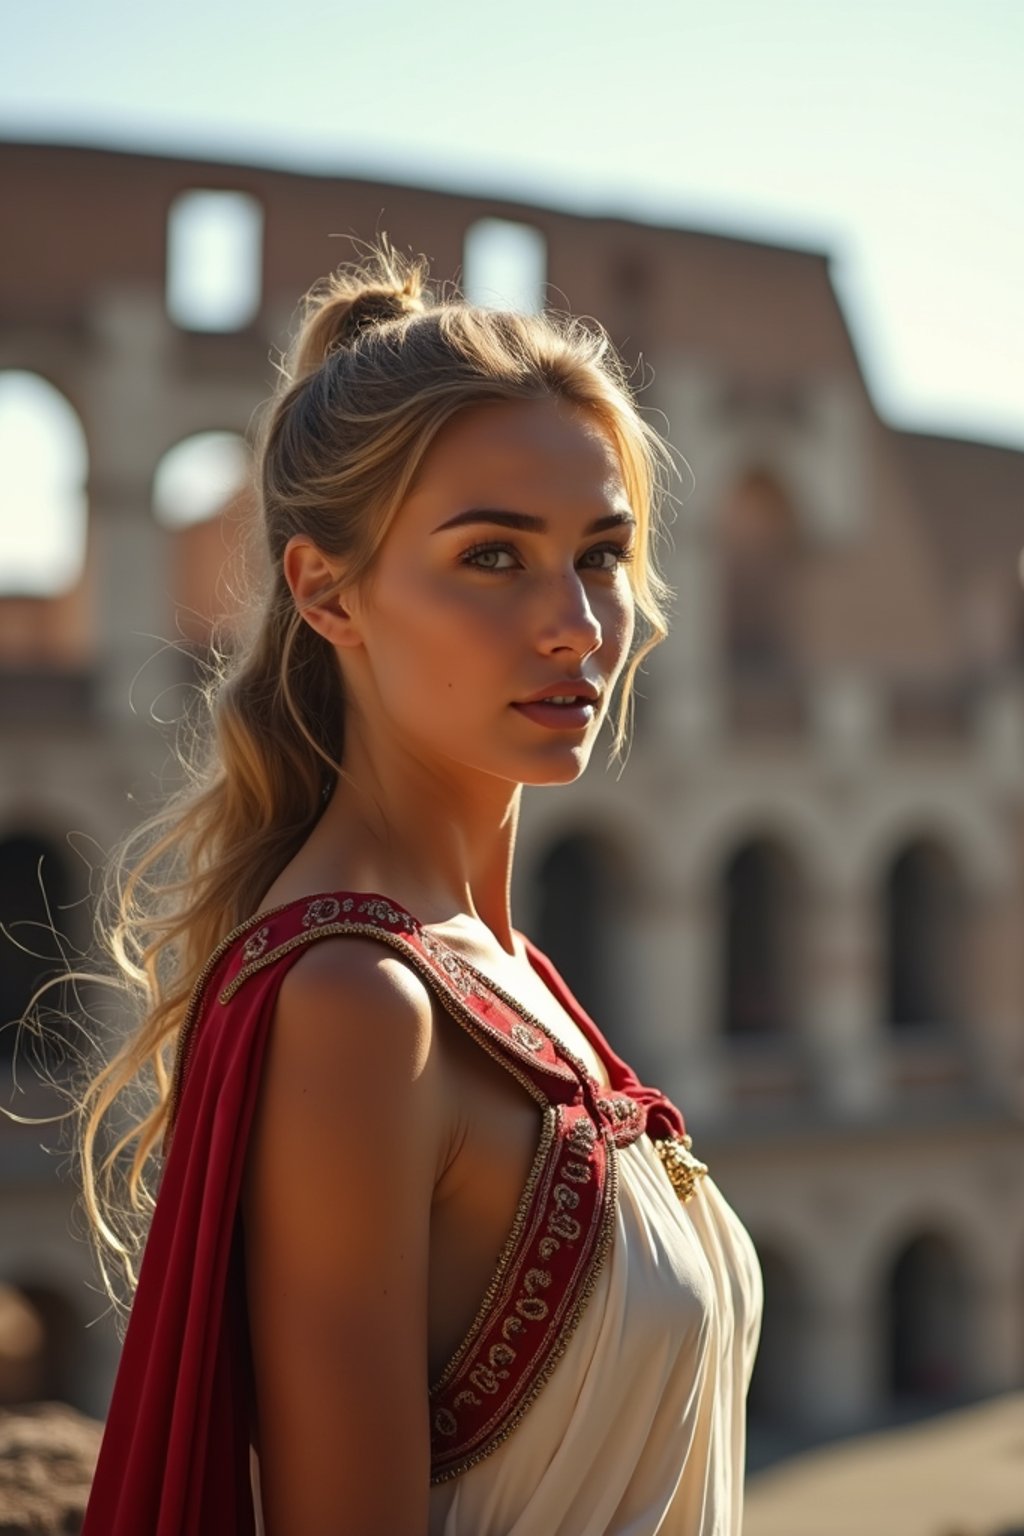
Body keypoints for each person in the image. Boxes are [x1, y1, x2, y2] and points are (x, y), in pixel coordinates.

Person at [77, 241, 764, 1535]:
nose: (577, 622)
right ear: (327, 590)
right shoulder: (358, 1006)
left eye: (602, 554)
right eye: (494, 558)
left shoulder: (502, 968)